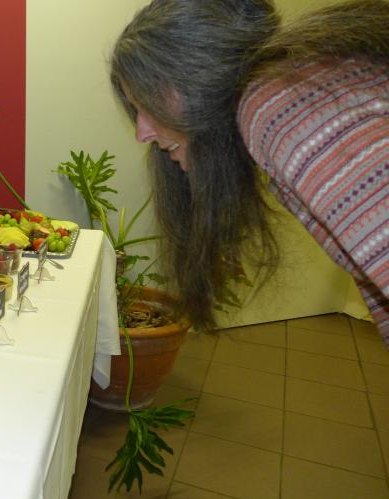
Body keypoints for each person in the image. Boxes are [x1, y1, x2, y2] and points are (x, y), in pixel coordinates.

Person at [110, 0, 389, 346]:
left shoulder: (279, 106)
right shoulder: (299, 86)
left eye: (147, 102)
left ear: (198, 75)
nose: (142, 133)